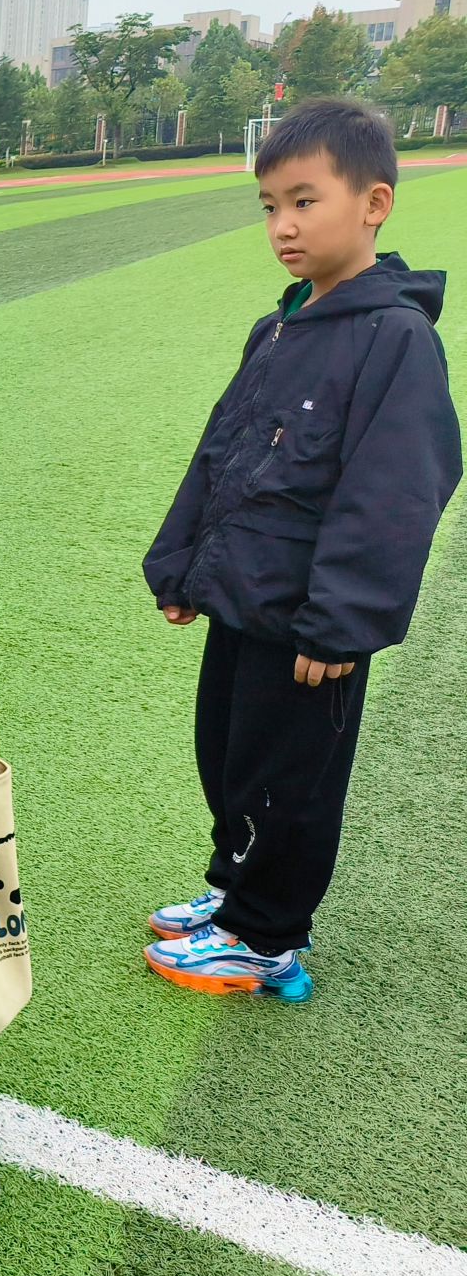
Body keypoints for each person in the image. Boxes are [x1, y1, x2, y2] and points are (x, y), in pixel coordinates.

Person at [142, 97, 460, 1001]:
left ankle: (266, 934)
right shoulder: (279, 325)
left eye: (305, 201)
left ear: (374, 204)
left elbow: (396, 491)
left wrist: (341, 623)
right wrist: (182, 564)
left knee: (291, 779)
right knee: (229, 755)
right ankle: (232, 890)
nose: (283, 225)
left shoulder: (395, 337)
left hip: (311, 624)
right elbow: (223, 450)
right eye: (270, 206)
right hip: (243, 594)